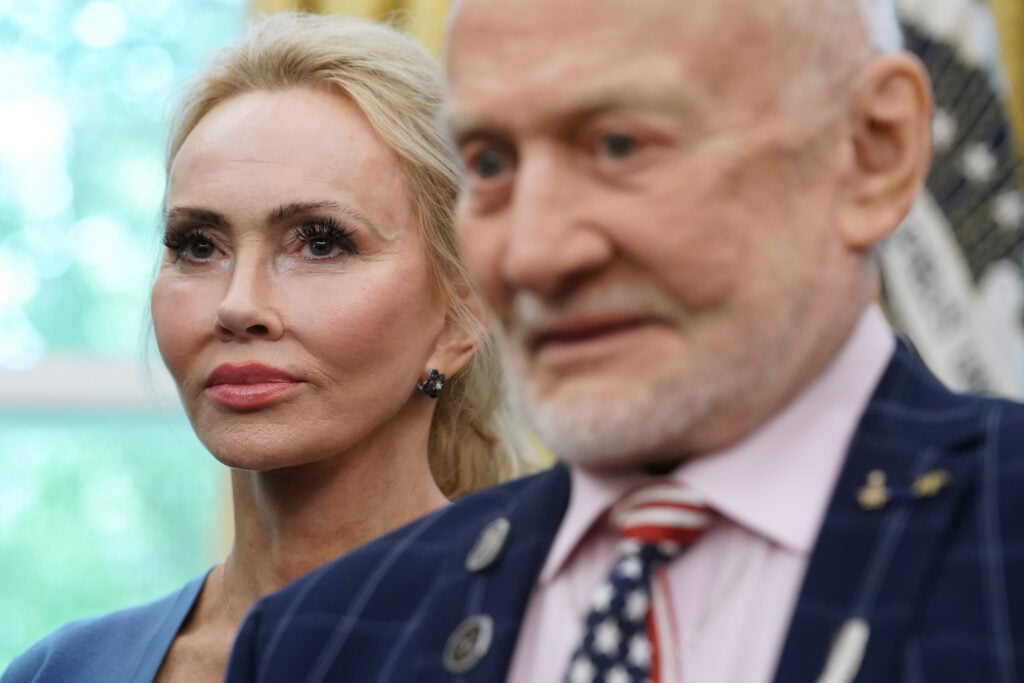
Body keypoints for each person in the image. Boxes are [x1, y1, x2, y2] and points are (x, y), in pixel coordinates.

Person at [226, 0, 1024, 681]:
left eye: (619, 145)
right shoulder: (319, 641)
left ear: (874, 149)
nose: (533, 253)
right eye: (490, 163)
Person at [2, 11, 533, 683]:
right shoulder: (62, 671)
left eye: (322, 242)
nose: (237, 305)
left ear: (462, 314)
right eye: (199, 246)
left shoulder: (567, 639)